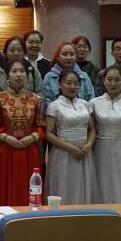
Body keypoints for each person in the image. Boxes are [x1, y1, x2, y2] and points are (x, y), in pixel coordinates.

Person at [0, 59, 45, 206]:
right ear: (7, 75)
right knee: (3, 186)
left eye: (22, 71)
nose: (19, 75)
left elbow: (41, 127)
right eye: (14, 71)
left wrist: (32, 137)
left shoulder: (36, 100)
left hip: (29, 149)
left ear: (27, 75)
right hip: (5, 149)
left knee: (29, 187)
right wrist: (7, 138)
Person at [45, 69, 98, 205]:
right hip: (63, 153)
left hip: (84, 152)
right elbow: (49, 134)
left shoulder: (85, 104)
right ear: (59, 84)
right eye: (68, 83)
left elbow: (92, 129)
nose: (72, 86)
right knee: (64, 186)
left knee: (84, 185)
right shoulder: (54, 106)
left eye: (76, 83)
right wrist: (71, 149)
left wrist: (88, 145)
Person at [89, 65, 121, 203]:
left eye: (117, 80)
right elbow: (91, 131)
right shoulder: (93, 103)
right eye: (109, 79)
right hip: (100, 149)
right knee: (101, 183)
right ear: (103, 81)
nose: (113, 83)